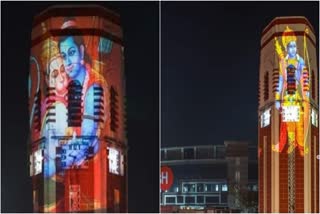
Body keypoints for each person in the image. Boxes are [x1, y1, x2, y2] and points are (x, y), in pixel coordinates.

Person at [57, 18, 108, 167]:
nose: (68, 62)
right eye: (64, 56)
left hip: (97, 161)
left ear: (81, 51)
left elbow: (88, 136)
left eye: (71, 53)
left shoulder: (94, 85)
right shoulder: (65, 83)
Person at [273, 26, 309, 156]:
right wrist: (277, 99)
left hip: (298, 96)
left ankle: (300, 145)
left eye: (294, 46)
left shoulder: (300, 61)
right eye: (290, 46)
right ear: (287, 48)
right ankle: (292, 143)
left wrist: (307, 93)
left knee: (299, 123)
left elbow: (305, 78)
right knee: (289, 124)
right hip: (287, 97)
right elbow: (281, 81)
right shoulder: (283, 62)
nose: (293, 48)